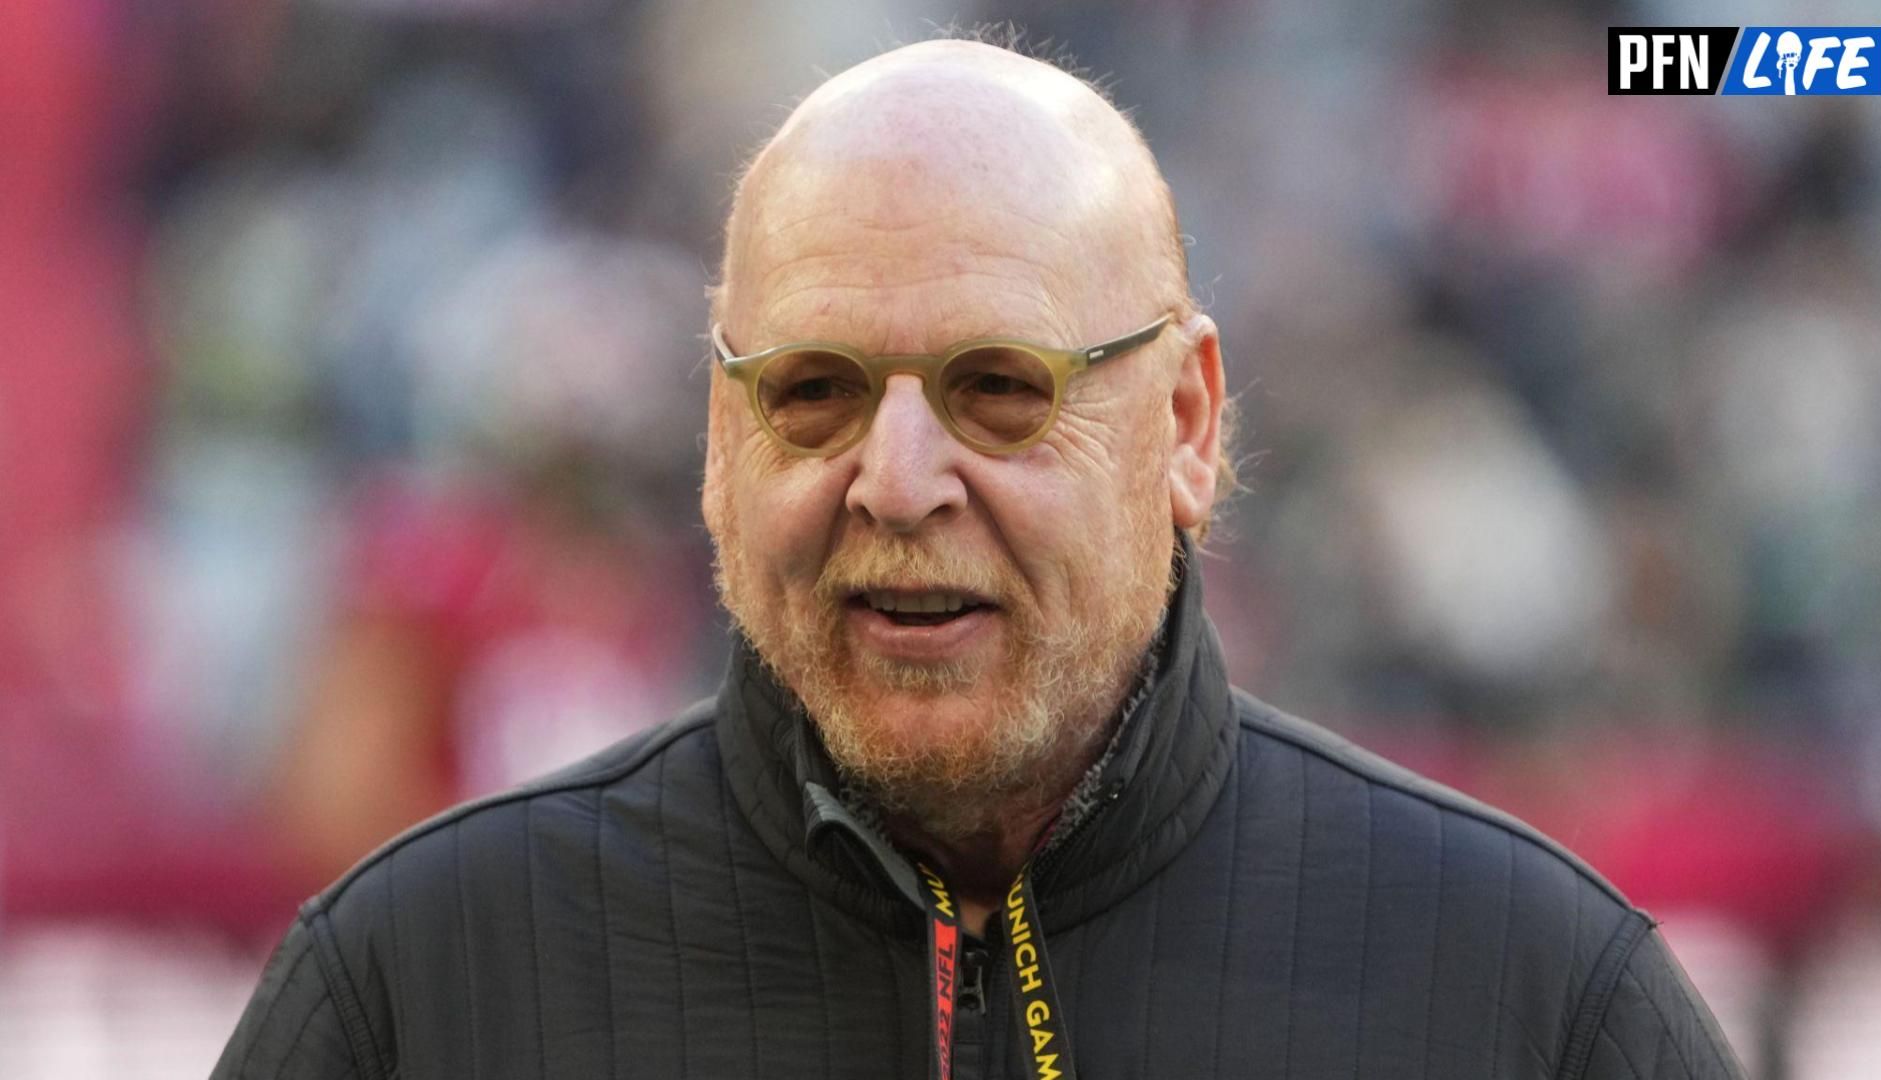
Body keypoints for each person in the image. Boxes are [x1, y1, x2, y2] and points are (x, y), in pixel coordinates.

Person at [213, 38, 1746, 1079]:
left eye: (999, 389)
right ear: (715, 444)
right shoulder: (416, 993)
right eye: (811, 394)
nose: (895, 479)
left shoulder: (1529, 997)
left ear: (1188, 425)